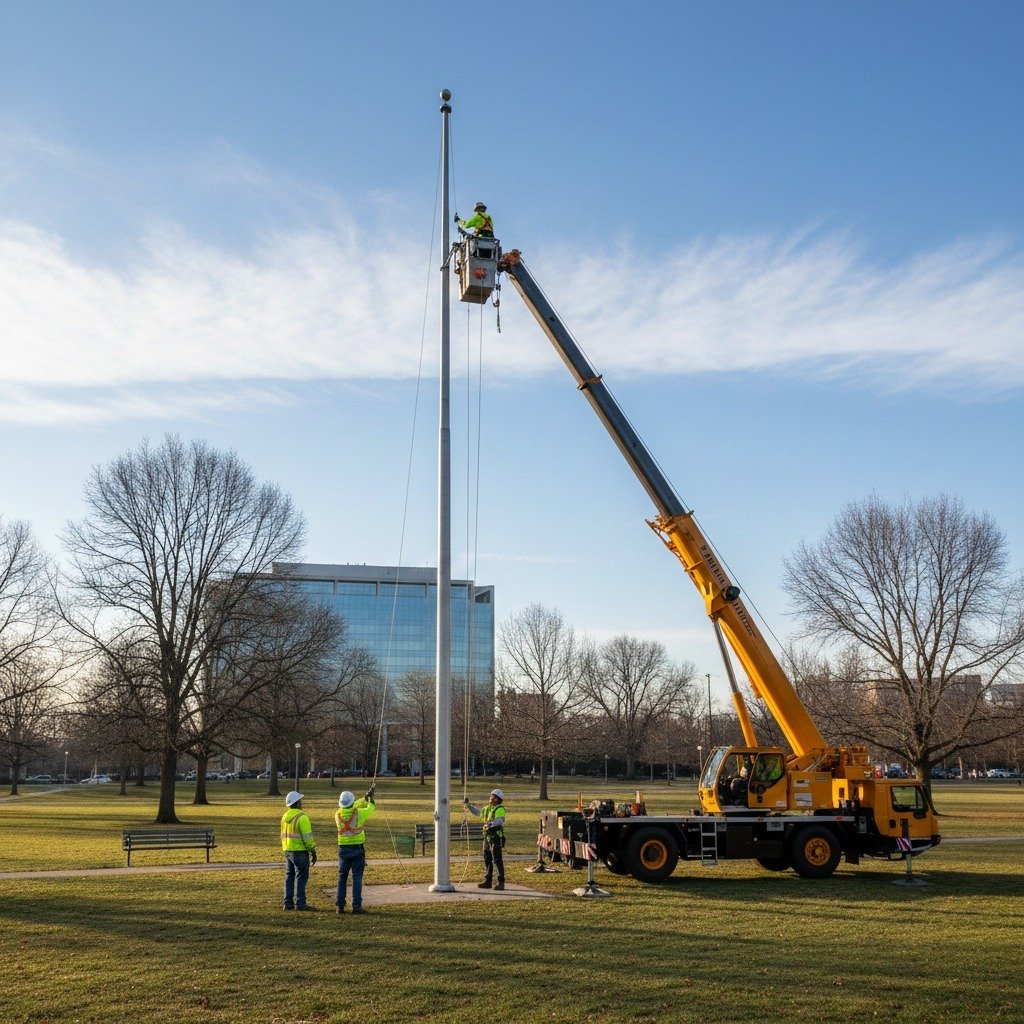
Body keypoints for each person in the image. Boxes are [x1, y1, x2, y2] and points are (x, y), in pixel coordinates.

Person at [335, 785, 376, 914]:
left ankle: (340, 905)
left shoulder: (337, 814)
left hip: (343, 849)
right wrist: (370, 800)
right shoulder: (359, 814)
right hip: (357, 849)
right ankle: (356, 906)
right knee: (357, 878)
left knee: (342, 878)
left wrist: (364, 797)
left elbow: (353, 805)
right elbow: (371, 808)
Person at [280, 790, 317, 911]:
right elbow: (307, 837)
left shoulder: (285, 817)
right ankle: (300, 903)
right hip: (300, 851)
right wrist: (312, 850)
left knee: (289, 875)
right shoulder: (302, 817)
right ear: (298, 802)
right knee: (301, 877)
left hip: (288, 849)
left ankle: (288, 902)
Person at [464, 788, 506, 890]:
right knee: (487, 859)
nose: (490, 797)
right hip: (487, 837)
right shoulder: (487, 808)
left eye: (492, 796)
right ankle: (488, 881)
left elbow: (499, 820)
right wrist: (468, 805)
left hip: (496, 837)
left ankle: (501, 883)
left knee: (497, 860)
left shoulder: (500, 809)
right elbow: (478, 812)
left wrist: (490, 825)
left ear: (497, 799)